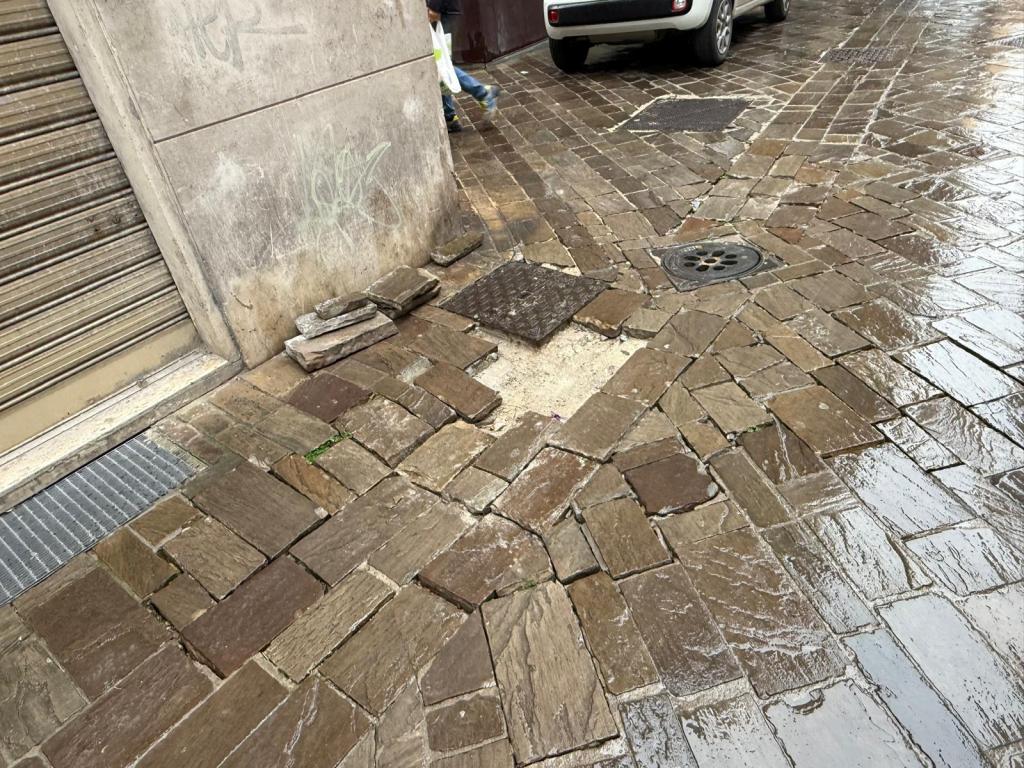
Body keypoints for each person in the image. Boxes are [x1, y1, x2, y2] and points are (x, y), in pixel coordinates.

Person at [427, 0, 499, 133]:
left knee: (441, 65)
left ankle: (483, 93)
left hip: (442, 12)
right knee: (441, 64)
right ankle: (450, 117)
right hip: (444, 11)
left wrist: (434, 6)